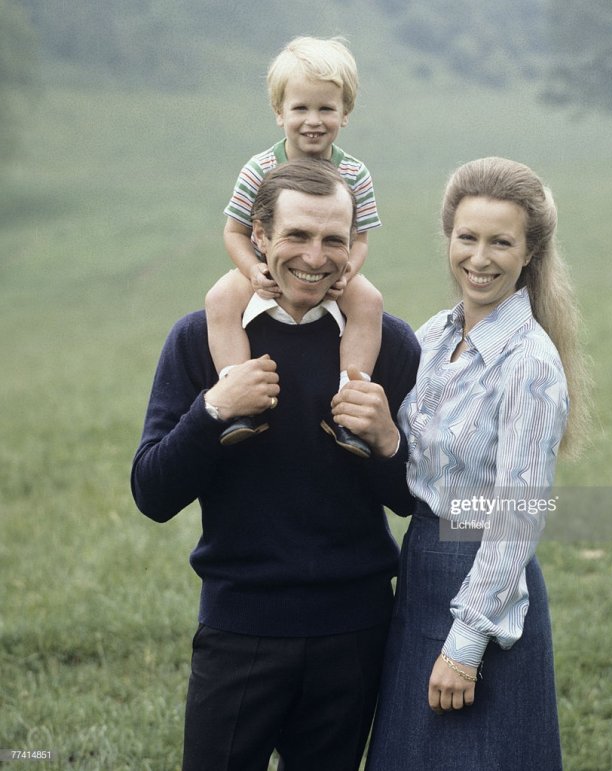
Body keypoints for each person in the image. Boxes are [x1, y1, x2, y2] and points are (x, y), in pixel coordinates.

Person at [131, 159, 420, 771]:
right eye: (297, 235)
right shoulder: (198, 341)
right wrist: (213, 411)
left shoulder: (389, 346)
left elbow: (412, 501)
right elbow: (153, 494)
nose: (315, 258)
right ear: (258, 236)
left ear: (353, 245)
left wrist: (388, 438)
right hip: (240, 628)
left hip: (356, 632)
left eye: (333, 240)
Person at [359, 157, 593, 770]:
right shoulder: (436, 336)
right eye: (467, 237)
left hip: (485, 596)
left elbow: (517, 517)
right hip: (423, 571)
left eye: (501, 242)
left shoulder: (530, 362)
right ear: (448, 238)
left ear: (529, 253)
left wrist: (465, 646)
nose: (480, 257)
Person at [207, 36, 383, 455]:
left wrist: (347, 273)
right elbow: (234, 232)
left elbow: (359, 239)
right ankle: (238, 395)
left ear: (346, 112)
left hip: (330, 273)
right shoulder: (260, 168)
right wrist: (253, 271)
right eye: (300, 108)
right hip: (266, 270)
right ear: (278, 112)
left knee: (370, 303)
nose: (313, 120)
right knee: (219, 299)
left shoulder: (355, 173)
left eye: (326, 108)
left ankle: (351, 407)